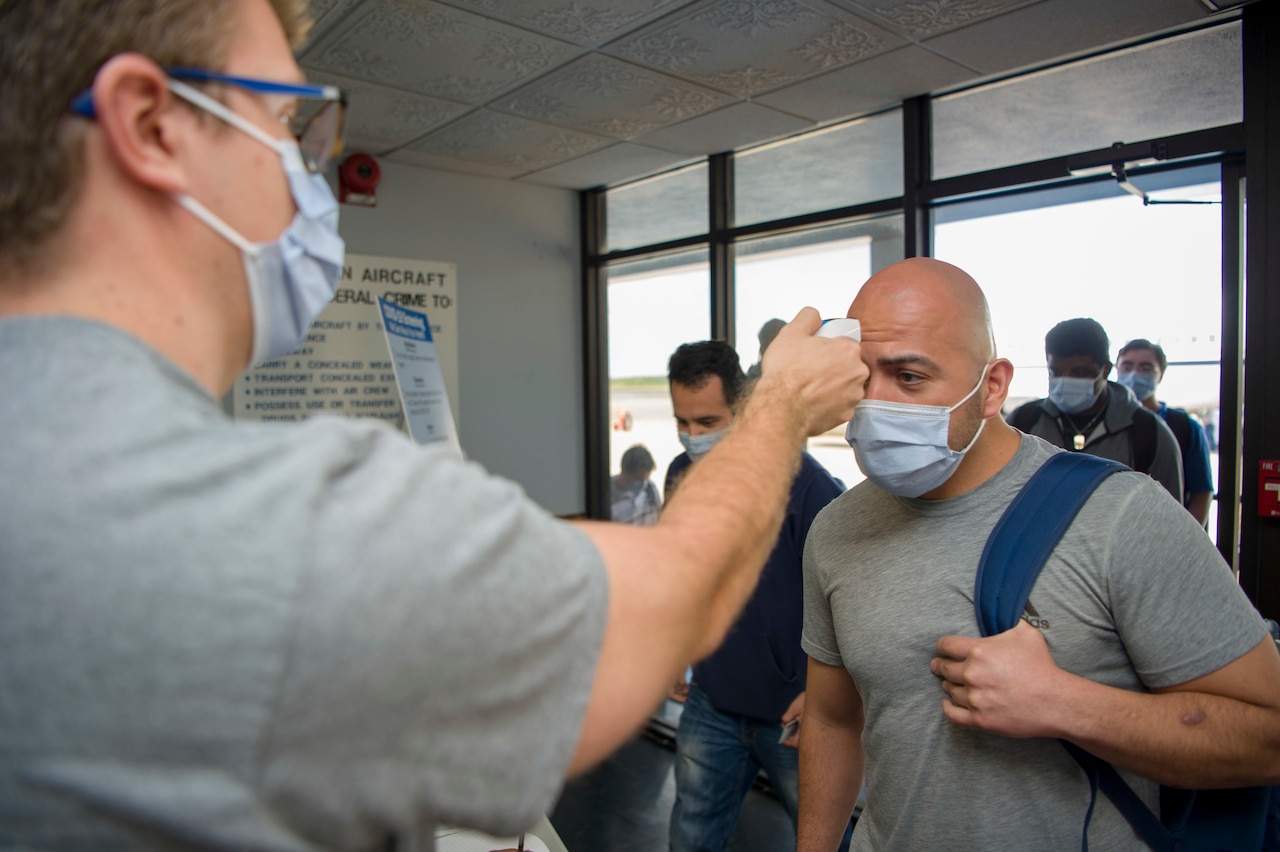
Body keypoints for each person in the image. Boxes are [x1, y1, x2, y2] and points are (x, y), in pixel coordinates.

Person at [0, 1, 870, 847]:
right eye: (285, 126)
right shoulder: (286, 522)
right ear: (152, 125)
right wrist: (782, 408)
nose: (307, 176)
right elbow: (677, 597)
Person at [796, 258, 1280, 851]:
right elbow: (832, 718)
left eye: (911, 377)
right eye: (863, 376)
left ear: (993, 386)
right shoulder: (836, 530)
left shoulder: (1119, 516)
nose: (876, 403)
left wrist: (1068, 705)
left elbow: (1268, 737)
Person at [662, 341, 849, 852]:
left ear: (743, 406)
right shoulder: (681, 473)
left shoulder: (805, 485)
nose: (693, 437)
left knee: (826, 839)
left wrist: (824, 695)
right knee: (692, 837)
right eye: (683, 422)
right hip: (712, 701)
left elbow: (847, 596)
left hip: (791, 713)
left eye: (707, 421)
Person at [1006, 317, 1184, 502]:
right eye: (1056, 373)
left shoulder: (1148, 433)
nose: (1066, 381)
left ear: (1105, 370)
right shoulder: (1023, 422)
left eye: (1080, 373)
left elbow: (1169, 517)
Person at [1116, 338, 1215, 527]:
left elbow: (1201, 492)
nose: (1134, 374)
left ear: (1160, 375)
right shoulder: (1107, 424)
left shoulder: (1183, 427)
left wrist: (1187, 539)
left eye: (1145, 368)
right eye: (1127, 367)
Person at [610, 443, 662, 526]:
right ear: (624, 471)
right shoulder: (604, 493)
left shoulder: (650, 490)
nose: (641, 485)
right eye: (637, 480)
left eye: (644, 480)